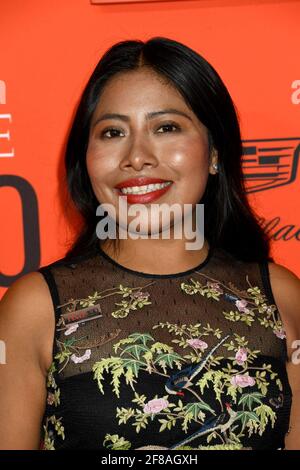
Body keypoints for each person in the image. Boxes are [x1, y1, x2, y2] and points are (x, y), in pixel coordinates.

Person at [0, 36, 299, 451]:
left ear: (214, 152)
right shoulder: (34, 308)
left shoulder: (282, 298)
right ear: (84, 157)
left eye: (166, 127)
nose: (136, 156)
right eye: (112, 132)